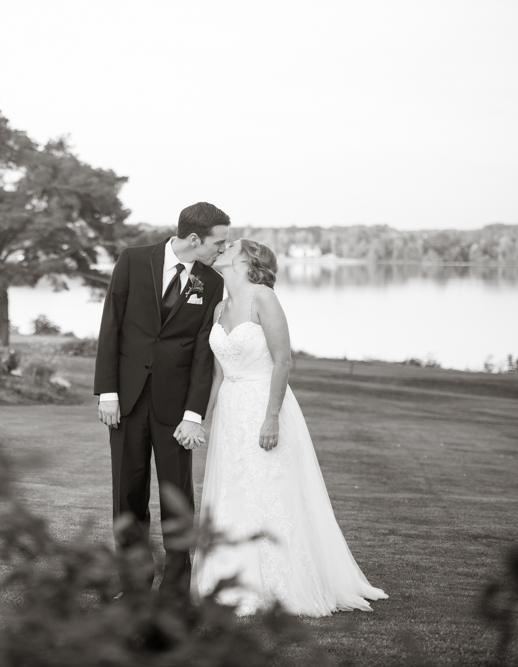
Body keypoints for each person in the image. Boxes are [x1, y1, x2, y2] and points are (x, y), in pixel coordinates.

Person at [191, 238, 388, 616]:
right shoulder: (220, 306)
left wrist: (271, 417)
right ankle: (231, 579)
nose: (222, 248)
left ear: (247, 260)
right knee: (235, 490)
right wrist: (200, 417)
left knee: (269, 490)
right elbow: (217, 374)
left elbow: (283, 361)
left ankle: (278, 583)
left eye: (230, 245)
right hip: (231, 413)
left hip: (264, 405)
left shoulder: (263, 297)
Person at [94, 202, 229, 598]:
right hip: (127, 402)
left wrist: (194, 414)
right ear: (193, 239)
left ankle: (174, 591)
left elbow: (205, 354)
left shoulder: (212, 282)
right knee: (127, 497)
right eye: (217, 242)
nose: (221, 249)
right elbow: (111, 326)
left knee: (177, 500)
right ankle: (134, 587)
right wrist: (107, 391)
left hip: (176, 410)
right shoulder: (133, 261)